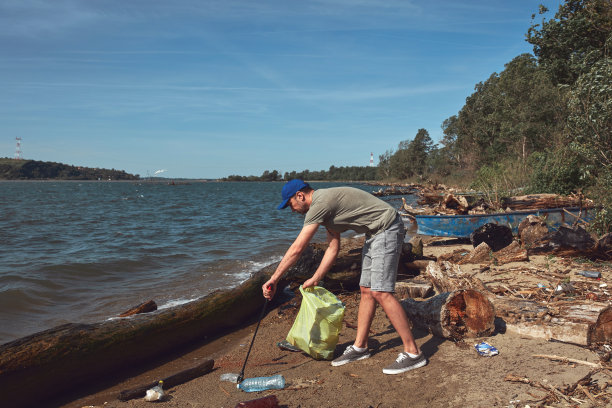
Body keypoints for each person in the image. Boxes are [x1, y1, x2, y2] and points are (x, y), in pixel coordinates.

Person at [262, 179, 427, 374]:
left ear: (300, 195)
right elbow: (333, 247)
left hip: (387, 227)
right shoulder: (324, 210)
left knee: (381, 291)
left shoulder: (320, 203)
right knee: (366, 290)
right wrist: (316, 277)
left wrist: (275, 278)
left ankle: (414, 353)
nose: (292, 210)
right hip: (374, 233)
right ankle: (360, 347)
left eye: (290, 204)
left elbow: (298, 248)